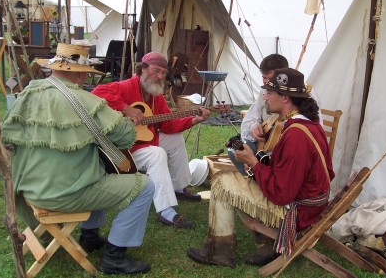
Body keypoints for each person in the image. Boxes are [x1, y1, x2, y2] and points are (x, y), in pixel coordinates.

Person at [1, 43, 155, 275]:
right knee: (144, 186)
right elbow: (124, 137)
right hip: (62, 193)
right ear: (81, 72)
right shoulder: (82, 100)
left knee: (97, 170)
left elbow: (8, 137)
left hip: (29, 188)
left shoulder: (29, 92)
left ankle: (90, 237)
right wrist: (124, 119)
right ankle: (114, 256)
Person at [187, 68, 335, 267]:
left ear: (284, 98)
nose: (265, 97)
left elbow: (281, 194)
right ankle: (259, 241)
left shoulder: (296, 135)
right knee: (226, 179)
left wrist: (254, 162)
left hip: (300, 212)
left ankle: (220, 252)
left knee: (222, 184)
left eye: (270, 92)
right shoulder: (304, 123)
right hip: (307, 200)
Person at [92, 52, 210, 228]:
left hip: (144, 142)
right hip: (124, 148)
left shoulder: (156, 97)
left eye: (163, 73)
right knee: (157, 154)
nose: (160, 76)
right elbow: (97, 92)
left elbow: (168, 124)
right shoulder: (126, 86)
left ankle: (177, 187)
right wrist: (127, 109)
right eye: (156, 71)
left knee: (175, 139)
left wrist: (194, 119)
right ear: (143, 69)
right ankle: (166, 211)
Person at [228, 54, 288, 175]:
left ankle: (264, 180)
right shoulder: (264, 92)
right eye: (263, 77)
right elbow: (251, 117)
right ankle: (257, 179)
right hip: (265, 145)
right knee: (234, 150)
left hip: (285, 148)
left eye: (269, 77)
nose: (265, 82)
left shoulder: (299, 95)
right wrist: (254, 127)